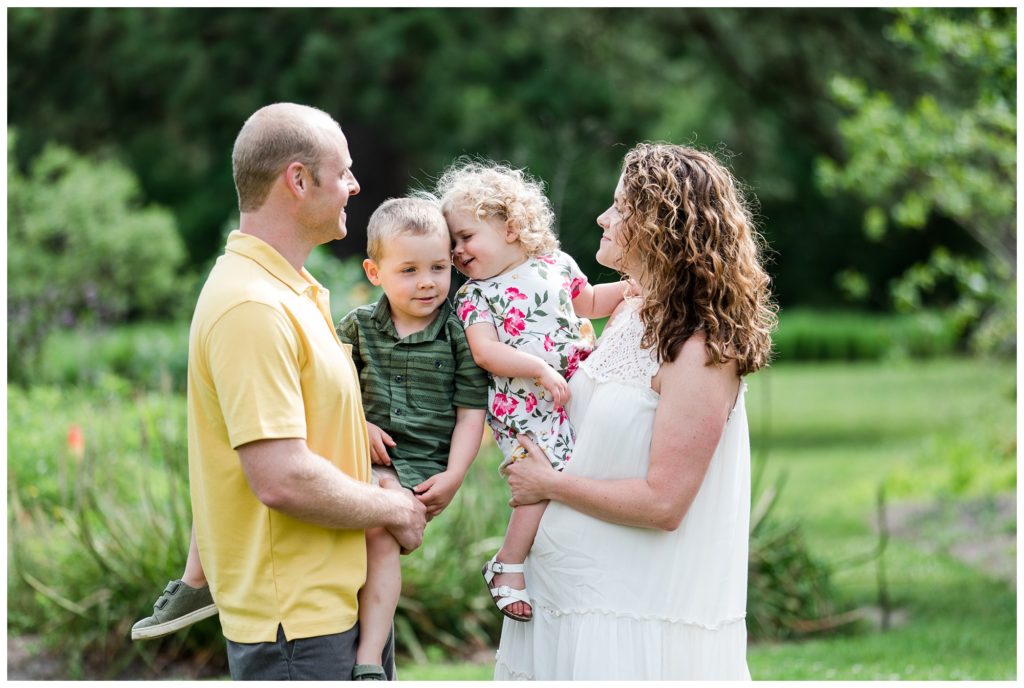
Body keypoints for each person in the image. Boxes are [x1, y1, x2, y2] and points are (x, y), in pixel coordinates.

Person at [154, 102, 427, 680]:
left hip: (326, 614)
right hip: (296, 631)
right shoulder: (253, 305)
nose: (356, 185)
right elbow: (280, 476)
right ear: (298, 181)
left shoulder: (291, 291)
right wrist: (393, 508)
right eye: (345, 171)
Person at [494, 142, 777, 680]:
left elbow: (664, 502)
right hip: (563, 598)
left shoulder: (699, 349)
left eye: (620, 207)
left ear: (660, 226)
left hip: (631, 615)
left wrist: (546, 483)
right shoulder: (628, 310)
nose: (603, 217)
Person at [436, 160, 627, 623]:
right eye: (452, 243)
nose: (457, 252)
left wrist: (631, 290)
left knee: (582, 471)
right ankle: (507, 564)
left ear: (512, 227)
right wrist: (539, 369)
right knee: (541, 478)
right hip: (523, 406)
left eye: (466, 237)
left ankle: (567, 565)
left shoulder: (555, 264)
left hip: (568, 394)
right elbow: (485, 352)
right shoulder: (476, 296)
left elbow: (588, 303)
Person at [334, 196, 489, 679]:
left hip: (418, 468)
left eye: (439, 267)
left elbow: (470, 412)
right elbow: (326, 393)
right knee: (355, 524)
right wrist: (357, 425)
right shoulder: (357, 328)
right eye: (409, 270)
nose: (427, 281)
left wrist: (456, 476)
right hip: (359, 456)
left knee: (380, 534)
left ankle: (369, 659)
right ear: (374, 272)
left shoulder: (459, 332)